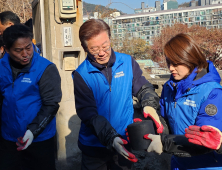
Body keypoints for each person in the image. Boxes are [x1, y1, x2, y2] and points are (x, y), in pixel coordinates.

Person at [72, 19, 164, 170]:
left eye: (105, 46)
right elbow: (88, 113)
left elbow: (143, 88)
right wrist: (110, 137)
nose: (102, 53)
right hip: (94, 145)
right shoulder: (81, 74)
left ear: (110, 39)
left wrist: (149, 104)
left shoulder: (127, 62)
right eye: (94, 49)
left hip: (125, 139)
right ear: (85, 48)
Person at [143, 33, 222, 170]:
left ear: (190, 59)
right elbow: (166, 123)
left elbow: (204, 140)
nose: (170, 68)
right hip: (178, 164)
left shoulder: (212, 92)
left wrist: (164, 143)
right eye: (168, 62)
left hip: (207, 165)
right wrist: (150, 126)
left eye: (176, 63)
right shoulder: (169, 87)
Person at [0, 24, 62, 170]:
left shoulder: (45, 68)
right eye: (18, 50)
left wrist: (32, 131)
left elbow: (51, 105)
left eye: (28, 47)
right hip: (9, 139)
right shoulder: (1, 67)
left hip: (40, 140)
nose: (25, 54)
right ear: (7, 50)